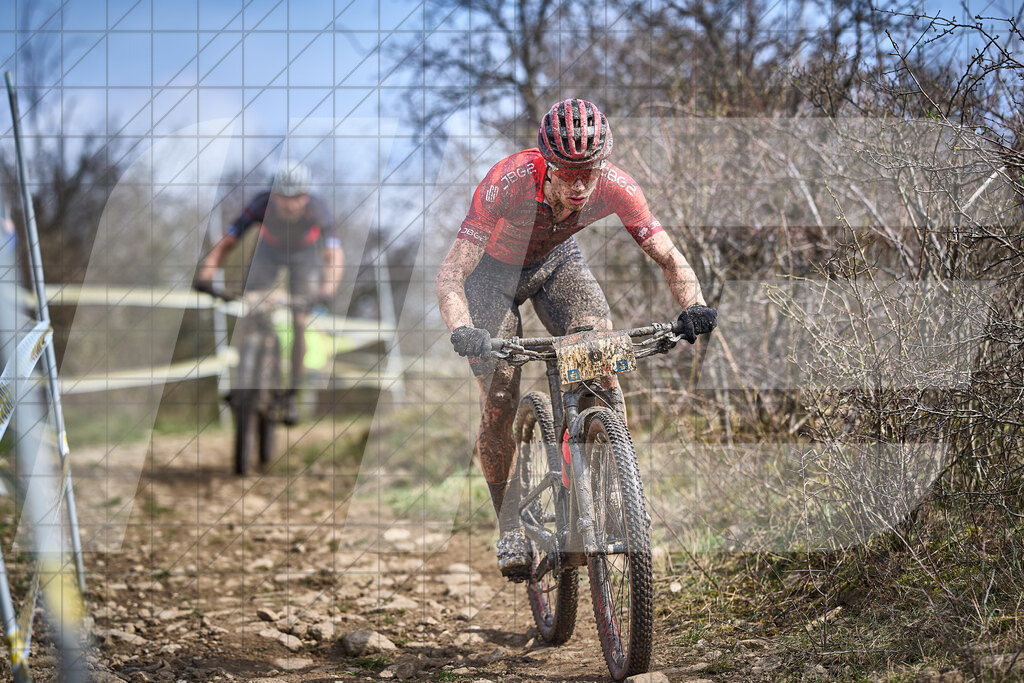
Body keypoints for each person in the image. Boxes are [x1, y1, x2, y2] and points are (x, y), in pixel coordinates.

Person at [436, 98, 717, 580]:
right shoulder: (508, 181)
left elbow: (670, 258)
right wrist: (463, 330)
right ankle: (508, 526)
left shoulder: (616, 187)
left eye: (589, 170)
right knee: (501, 392)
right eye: (568, 173)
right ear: (547, 163)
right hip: (490, 279)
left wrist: (693, 305)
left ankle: (609, 489)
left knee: (598, 355)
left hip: (556, 266)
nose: (580, 185)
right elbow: (450, 275)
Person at [196, 160, 344, 425]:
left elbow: (333, 254)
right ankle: (244, 381)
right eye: (282, 197)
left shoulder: (318, 209)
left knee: (300, 320)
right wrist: (206, 275)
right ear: (272, 195)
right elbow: (228, 242)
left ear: (306, 196)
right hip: (268, 253)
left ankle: (290, 395)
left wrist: (328, 288)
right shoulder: (260, 204)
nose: (289, 204)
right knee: (251, 310)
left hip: (304, 257)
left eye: (296, 197)